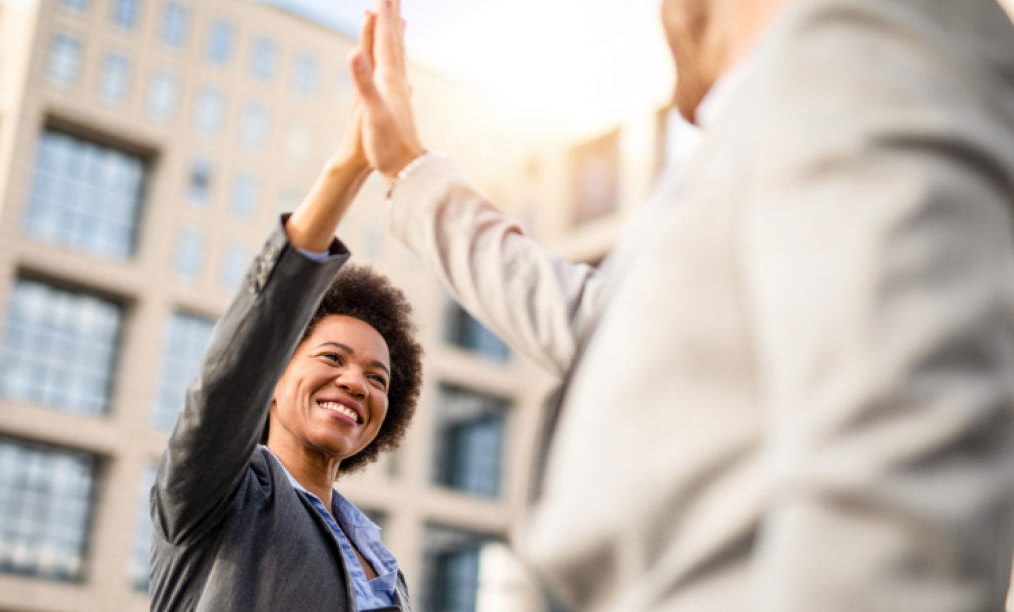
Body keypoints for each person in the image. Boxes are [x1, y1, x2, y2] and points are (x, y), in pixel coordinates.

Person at [348, 0, 1014, 610]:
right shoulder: (793, 106)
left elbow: (898, 476)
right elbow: (600, 324)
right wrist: (410, 169)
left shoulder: (853, 51)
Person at [149, 14, 423, 612]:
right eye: (333, 358)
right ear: (272, 377)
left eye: (378, 379)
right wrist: (351, 165)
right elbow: (229, 379)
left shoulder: (382, 563)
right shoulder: (218, 491)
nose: (356, 381)